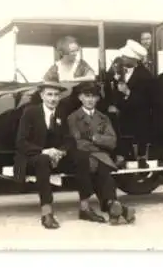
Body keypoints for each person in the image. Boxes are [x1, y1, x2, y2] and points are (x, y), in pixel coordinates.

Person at [14, 81, 108, 229]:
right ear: (41, 96)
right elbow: (21, 142)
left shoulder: (62, 113)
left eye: (56, 95)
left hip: (57, 156)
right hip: (34, 157)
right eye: (49, 94)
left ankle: (85, 208)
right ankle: (47, 213)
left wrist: (61, 151)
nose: (53, 99)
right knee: (43, 161)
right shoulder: (30, 113)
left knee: (81, 158)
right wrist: (44, 151)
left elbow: (69, 140)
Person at [67, 81, 136, 225]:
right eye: (87, 96)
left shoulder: (103, 118)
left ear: (98, 99)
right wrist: (99, 143)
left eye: (94, 96)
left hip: (101, 157)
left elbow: (112, 141)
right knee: (102, 172)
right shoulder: (73, 118)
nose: (90, 100)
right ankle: (115, 208)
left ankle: (113, 208)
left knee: (105, 174)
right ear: (80, 97)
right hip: (84, 157)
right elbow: (77, 142)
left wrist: (94, 138)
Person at [105, 39, 156, 169]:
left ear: (134, 59)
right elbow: (107, 84)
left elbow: (146, 101)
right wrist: (112, 102)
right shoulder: (116, 67)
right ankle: (115, 154)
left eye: (125, 56)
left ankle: (139, 156)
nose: (121, 57)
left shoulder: (145, 76)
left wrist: (128, 92)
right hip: (118, 108)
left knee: (141, 116)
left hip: (136, 111)